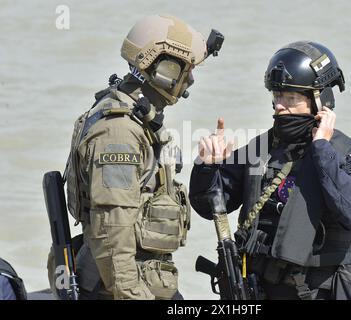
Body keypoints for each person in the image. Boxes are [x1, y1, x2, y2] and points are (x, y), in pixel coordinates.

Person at [47, 14, 223, 300]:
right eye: (185, 70)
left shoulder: (135, 113)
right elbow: (112, 231)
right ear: (165, 69)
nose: (190, 79)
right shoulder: (119, 131)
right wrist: (132, 295)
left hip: (137, 277)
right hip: (117, 287)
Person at [189, 41, 351, 299]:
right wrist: (207, 168)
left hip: (317, 291)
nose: (280, 105)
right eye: (277, 96)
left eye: (291, 98)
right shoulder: (260, 148)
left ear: (321, 102)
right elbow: (209, 206)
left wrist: (322, 148)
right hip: (257, 290)